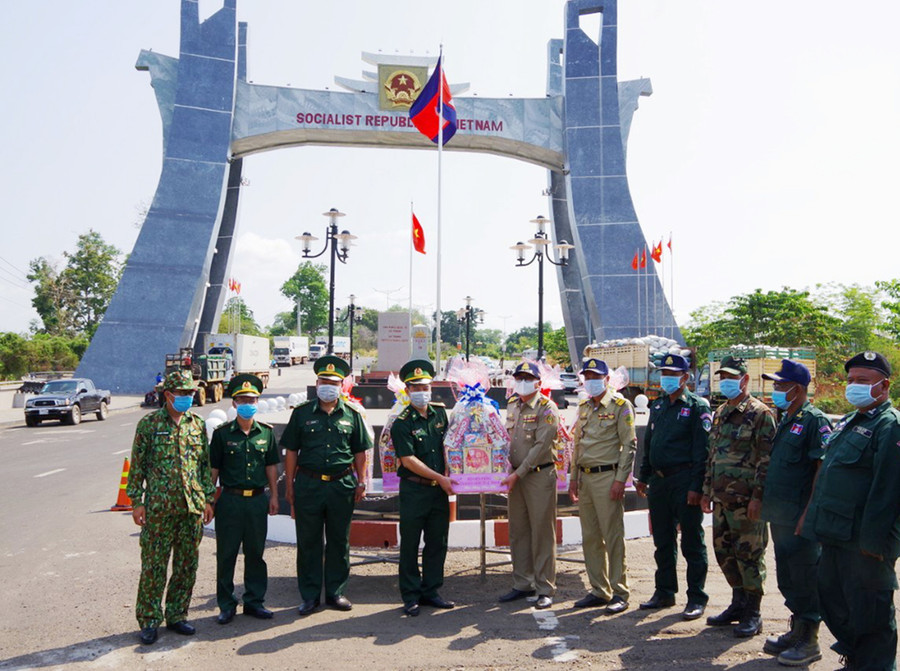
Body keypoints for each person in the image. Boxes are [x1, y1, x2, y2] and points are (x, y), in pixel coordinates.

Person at [802, 351, 900, 670]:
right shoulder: (850, 421)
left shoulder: (890, 426)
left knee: (872, 617)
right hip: (835, 535)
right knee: (834, 602)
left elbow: (888, 491)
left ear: (883, 386)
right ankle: (857, 660)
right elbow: (831, 474)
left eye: (863, 381)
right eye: (851, 381)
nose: (854, 386)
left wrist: (874, 545)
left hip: (865, 544)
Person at [126, 370, 215, 645]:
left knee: (186, 565)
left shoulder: (197, 424)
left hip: (190, 508)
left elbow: (203, 466)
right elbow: (137, 466)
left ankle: (177, 615)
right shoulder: (149, 424)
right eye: (182, 393)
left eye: (190, 393)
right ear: (168, 395)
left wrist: (208, 499)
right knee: (153, 566)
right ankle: (150, 620)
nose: (188, 397)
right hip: (158, 510)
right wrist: (136, 502)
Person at [281, 355, 372, 616]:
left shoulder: (352, 415)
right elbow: (291, 451)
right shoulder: (301, 414)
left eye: (333, 382)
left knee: (338, 541)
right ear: (317, 382)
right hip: (308, 484)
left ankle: (336, 592)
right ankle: (309, 596)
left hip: (341, 484)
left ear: (342, 385)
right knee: (308, 541)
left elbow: (360, 451)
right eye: (324, 381)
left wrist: (361, 481)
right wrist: (290, 485)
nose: (328, 386)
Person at [757, 359, 831, 665]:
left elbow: (820, 469)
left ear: (796, 389)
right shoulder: (787, 417)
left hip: (799, 517)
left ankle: (809, 639)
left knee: (805, 576)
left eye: (779, 385)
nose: (774, 389)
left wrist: (808, 514)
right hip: (781, 516)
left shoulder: (814, 420)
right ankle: (797, 629)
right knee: (787, 576)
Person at [701, 355, 776, 637]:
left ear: (745, 380)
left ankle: (753, 613)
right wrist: (707, 491)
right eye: (723, 377)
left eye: (732, 378)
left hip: (747, 503)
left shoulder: (760, 414)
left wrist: (759, 498)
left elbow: (766, 460)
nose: (726, 382)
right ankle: (738, 603)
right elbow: (713, 455)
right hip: (721, 500)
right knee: (725, 554)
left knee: (750, 556)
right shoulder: (720, 412)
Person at [636, 353, 711, 620]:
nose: (666, 378)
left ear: (685, 377)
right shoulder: (657, 406)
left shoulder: (697, 406)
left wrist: (696, 486)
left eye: (671, 373)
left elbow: (702, 451)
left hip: (684, 481)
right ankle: (665, 591)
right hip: (659, 481)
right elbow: (650, 445)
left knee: (692, 541)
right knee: (663, 541)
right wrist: (644, 476)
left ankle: (696, 597)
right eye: (663, 373)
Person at [209, 374, 280, 625]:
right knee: (226, 554)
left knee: (255, 554)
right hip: (230, 500)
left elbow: (272, 466)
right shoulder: (221, 434)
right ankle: (226, 604)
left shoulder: (266, 434)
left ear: (258, 401)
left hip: (257, 501)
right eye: (242, 399)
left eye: (252, 399)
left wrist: (274, 496)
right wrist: (209, 500)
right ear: (234, 404)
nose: (247, 403)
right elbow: (214, 470)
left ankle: (254, 602)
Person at [569, 358, 637, 614]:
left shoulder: (621, 405)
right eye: (587, 377)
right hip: (585, 478)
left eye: (596, 377)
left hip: (608, 477)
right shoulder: (584, 406)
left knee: (613, 536)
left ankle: (620, 591)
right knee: (590, 537)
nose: (591, 382)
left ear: (607, 380)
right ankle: (599, 589)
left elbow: (629, 445)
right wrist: (573, 477)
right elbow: (578, 444)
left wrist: (621, 479)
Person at [390, 359, 456, 617]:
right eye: (416, 388)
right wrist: (440, 477)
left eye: (425, 387)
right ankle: (410, 595)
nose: (422, 392)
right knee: (410, 543)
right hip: (414, 490)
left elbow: (450, 445)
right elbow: (408, 460)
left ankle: (431, 590)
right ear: (407, 391)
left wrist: (453, 472)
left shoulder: (440, 413)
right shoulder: (402, 422)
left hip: (438, 490)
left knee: (437, 542)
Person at [499, 361, 560, 610]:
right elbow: (507, 438)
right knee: (519, 530)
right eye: (519, 377)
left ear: (538, 382)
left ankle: (545, 587)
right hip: (515, 476)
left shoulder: (547, 408)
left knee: (542, 532)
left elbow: (540, 447)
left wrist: (518, 473)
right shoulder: (513, 404)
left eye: (527, 378)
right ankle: (522, 582)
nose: (522, 382)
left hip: (537, 475)